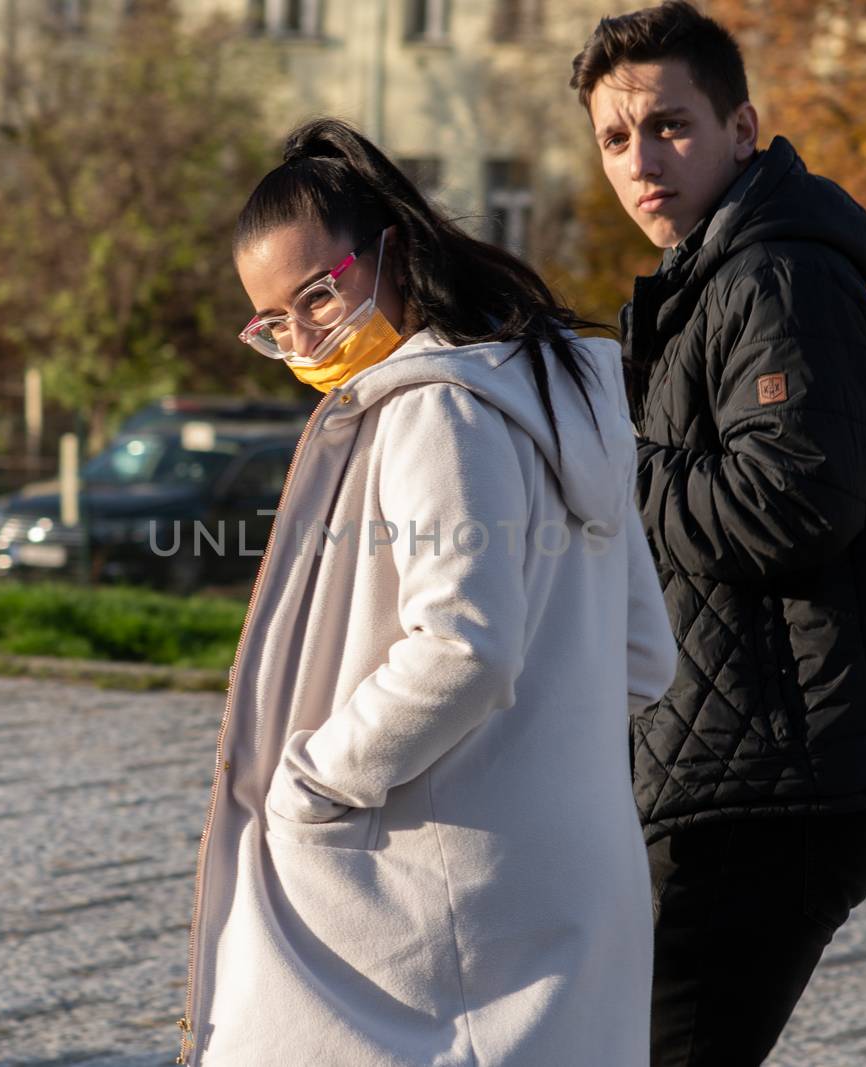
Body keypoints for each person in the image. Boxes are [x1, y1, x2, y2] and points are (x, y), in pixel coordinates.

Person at [177, 117, 676, 1066]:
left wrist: (315, 784)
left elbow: (464, 646)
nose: (304, 337)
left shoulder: (435, 406)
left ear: (393, 250)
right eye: (274, 324)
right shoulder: (554, 394)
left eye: (318, 295)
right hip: (572, 879)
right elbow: (645, 653)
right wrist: (543, 756)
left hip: (426, 903)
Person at [569, 5, 866, 1065]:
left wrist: (608, 463)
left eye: (670, 125)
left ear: (743, 127)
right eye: (616, 139)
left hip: (775, 789)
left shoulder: (775, 276)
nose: (641, 158)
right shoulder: (705, 283)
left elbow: (789, 503)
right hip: (731, 771)